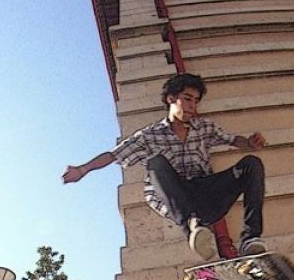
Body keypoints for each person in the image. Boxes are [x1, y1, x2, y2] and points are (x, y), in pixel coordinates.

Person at [62, 73, 267, 261]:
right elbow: (114, 154)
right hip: (175, 197)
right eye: (187, 99)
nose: (192, 107)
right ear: (171, 98)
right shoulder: (149, 135)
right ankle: (193, 229)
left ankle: (250, 239)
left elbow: (232, 140)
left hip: (205, 194)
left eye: (196, 102)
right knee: (155, 162)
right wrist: (83, 169)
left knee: (251, 164)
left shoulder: (205, 127)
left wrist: (249, 143)